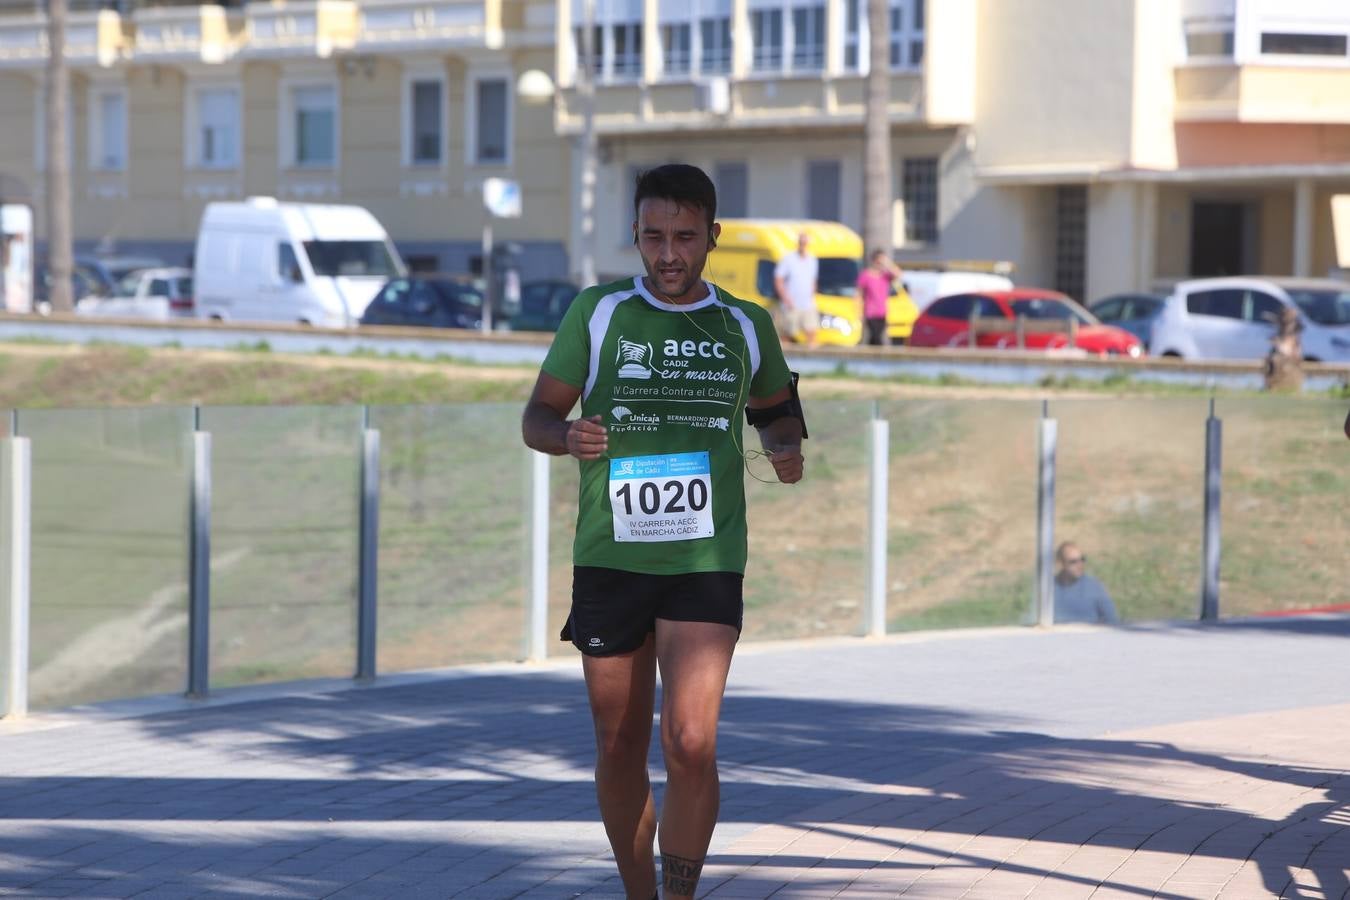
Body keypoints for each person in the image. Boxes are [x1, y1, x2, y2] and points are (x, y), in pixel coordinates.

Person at [521, 163, 805, 900]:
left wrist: (783, 445)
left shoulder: (745, 322)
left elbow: (777, 404)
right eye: (653, 238)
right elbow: (537, 416)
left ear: (712, 236)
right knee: (619, 745)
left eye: (684, 237)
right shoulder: (598, 311)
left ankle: (678, 897)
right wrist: (567, 437)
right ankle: (638, 892)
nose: (669, 254)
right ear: (636, 237)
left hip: (705, 556)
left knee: (690, 741)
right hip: (611, 555)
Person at [1053, 541, 1119, 624]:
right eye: (1073, 562)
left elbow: (1112, 620)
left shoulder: (1094, 587)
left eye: (1082, 559)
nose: (1080, 564)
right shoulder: (1049, 588)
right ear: (1061, 563)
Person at [773, 231, 819, 348]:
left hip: (807, 303)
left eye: (805, 242)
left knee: (812, 332)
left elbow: (813, 280)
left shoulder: (812, 260)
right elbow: (778, 279)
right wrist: (786, 299)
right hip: (791, 304)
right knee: (787, 334)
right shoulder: (788, 259)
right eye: (801, 242)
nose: (803, 244)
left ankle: (811, 361)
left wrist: (812, 296)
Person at [855, 249, 901, 346]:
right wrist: (858, 311)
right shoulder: (866, 275)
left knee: (875, 337)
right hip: (870, 311)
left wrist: (887, 263)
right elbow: (858, 294)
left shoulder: (885, 276)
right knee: (876, 337)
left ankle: (870, 356)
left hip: (882, 311)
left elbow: (898, 274)